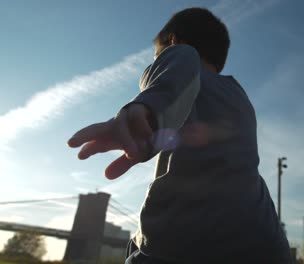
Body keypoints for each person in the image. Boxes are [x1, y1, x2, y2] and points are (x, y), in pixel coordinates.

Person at [68, 7, 292, 264]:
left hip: (190, 242)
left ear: (174, 41)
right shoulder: (239, 96)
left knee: (136, 249)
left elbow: (179, 68)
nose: (156, 66)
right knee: (136, 242)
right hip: (265, 241)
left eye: (156, 59)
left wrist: (149, 107)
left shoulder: (182, 56)